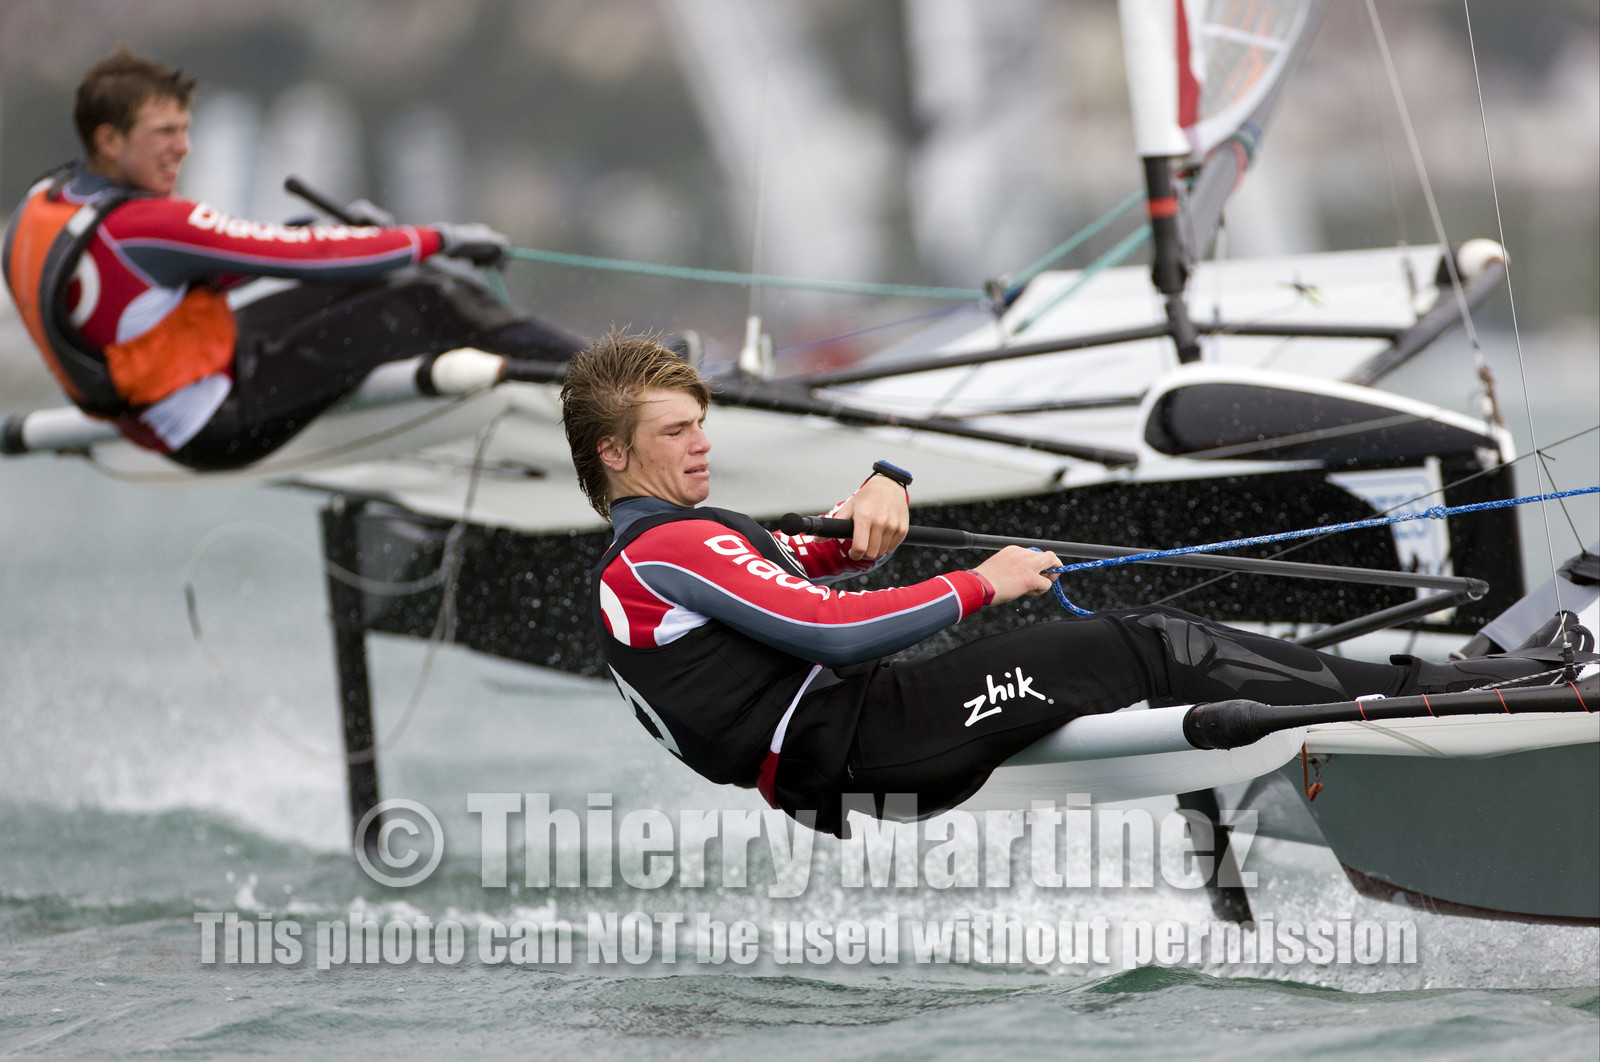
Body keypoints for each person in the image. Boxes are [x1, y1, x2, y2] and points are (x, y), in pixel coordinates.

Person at [561, 333, 1585, 838]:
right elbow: (825, 634)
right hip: (872, 736)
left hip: (857, 754)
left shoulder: (671, 550)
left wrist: (877, 504)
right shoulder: (663, 550)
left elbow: (799, 569)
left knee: (1145, 648)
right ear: (613, 454)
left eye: (701, 422)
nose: (701, 445)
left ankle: (1405, 701)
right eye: (673, 432)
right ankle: (1442, 696)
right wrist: (981, 582)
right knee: (1142, 648)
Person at [3, 47, 584, 470]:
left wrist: (318, 233)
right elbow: (316, 257)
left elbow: (148, 294)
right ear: (109, 140)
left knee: (388, 275)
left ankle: (577, 384)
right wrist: (445, 239)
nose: (183, 147)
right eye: (164, 133)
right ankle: (612, 380)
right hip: (217, 421)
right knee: (429, 295)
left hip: (165, 403)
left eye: (185, 128)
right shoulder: (144, 226)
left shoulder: (41, 208)